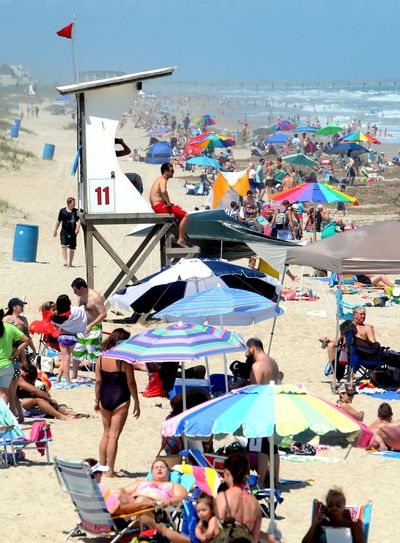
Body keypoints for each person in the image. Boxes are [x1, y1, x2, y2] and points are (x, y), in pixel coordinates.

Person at [95, 328, 140, 477]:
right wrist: (136, 401)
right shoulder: (125, 360)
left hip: (104, 398)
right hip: (121, 398)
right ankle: (110, 471)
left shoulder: (100, 358)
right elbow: (131, 382)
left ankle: (101, 466)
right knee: (114, 436)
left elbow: (98, 382)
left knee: (106, 434)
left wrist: (97, 400)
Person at [244, 338, 281, 487]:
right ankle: (275, 480)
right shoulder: (273, 362)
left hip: (261, 407)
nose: (246, 353)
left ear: (252, 348)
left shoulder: (257, 365)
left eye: (247, 350)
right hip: (273, 404)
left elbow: (256, 390)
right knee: (273, 446)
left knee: (262, 447)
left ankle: (260, 481)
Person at [215, 454, 262, 543]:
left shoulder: (223, 495)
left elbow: (217, 529)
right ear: (245, 474)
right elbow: (255, 538)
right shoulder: (253, 502)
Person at [115, 459, 188, 513]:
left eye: (162, 467)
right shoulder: (141, 482)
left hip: (155, 508)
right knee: (117, 494)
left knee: (141, 499)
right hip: (133, 502)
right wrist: (118, 492)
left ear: (168, 471)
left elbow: (182, 497)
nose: (159, 469)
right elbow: (124, 490)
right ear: (152, 472)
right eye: (156, 468)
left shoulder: (173, 485)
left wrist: (170, 501)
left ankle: (129, 519)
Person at [71, 278, 107, 379]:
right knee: (77, 351)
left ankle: (99, 378)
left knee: (94, 353)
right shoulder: (81, 297)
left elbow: (103, 314)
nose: (74, 293)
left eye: (75, 290)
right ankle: (74, 376)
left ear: (81, 288)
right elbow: (82, 312)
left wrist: (91, 325)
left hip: (93, 328)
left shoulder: (95, 297)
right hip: (82, 328)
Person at [0, 306, 29, 421]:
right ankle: (3, 419)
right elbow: (27, 339)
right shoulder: (9, 328)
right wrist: (17, 351)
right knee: (4, 393)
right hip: (8, 365)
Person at [150, 163, 189, 248]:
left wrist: (171, 204)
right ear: (165, 172)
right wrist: (168, 203)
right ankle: (181, 239)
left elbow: (160, 195)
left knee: (178, 212)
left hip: (158, 205)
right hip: (159, 206)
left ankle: (176, 237)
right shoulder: (163, 179)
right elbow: (163, 191)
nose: (173, 172)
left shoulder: (160, 179)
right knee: (185, 215)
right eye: (172, 170)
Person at [52, 294, 87, 384]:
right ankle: (67, 380)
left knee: (65, 359)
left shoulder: (58, 315)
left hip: (63, 336)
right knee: (66, 359)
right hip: (73, 337)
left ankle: (59, 378)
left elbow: (55, 327)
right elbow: (82, 310)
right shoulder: (75, 311)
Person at [3, 298, 36, 363]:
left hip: (24, 347)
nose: (23, 307)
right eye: (21, 305)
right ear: (14, 307)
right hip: (11, 348)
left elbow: (27, 336)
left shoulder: (24, 319)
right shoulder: (6, 319)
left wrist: (34, 350)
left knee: (24, 368)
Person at [53, 197, 80, 268]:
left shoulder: (76, 211)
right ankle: (65, 261)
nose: (74, 204)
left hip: (73, 232)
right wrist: (55, 230)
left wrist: (77, 228)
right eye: (73, 203)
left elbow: (78, 220)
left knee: (72, 248)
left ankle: (70, 263)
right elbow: (59, 221)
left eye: (75, 203)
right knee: (64, 246)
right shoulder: (62, 211)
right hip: (64, 231)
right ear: (69, 203)